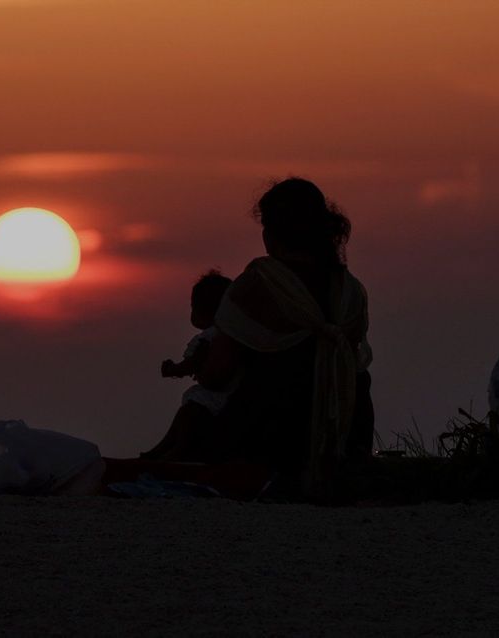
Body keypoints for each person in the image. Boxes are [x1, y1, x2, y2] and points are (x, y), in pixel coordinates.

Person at [193, 178, 374, 500]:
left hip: (272, 434)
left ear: (271, 234)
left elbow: (217, 375)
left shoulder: (256, 286)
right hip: (347, 431)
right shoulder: (351, 292)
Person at [141, 270, 236, 460]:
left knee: (187, 416)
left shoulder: (209, 338)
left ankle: (172, 451)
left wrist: (173, 369)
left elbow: (193, 363)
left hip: (214, 397)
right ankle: (163, 449)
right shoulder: (232, 334)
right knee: (185, 417)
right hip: (229, 394)